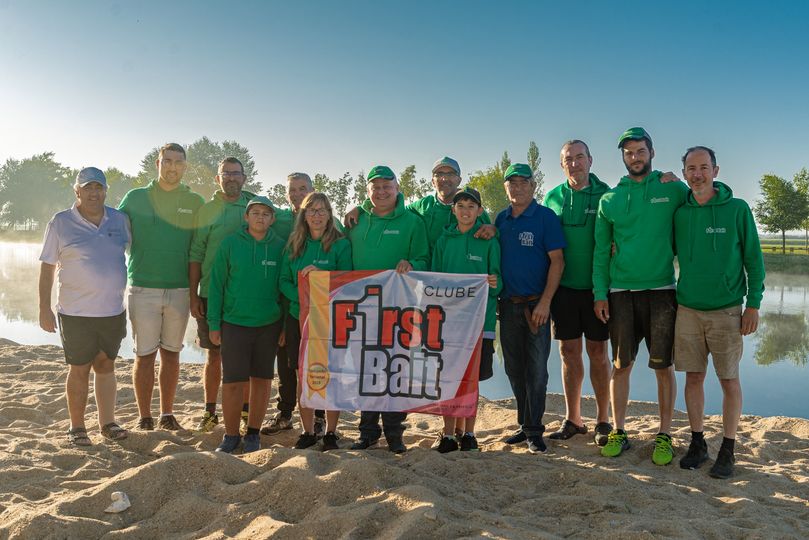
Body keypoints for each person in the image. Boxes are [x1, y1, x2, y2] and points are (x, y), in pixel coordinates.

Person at [593, 127, 689, 465]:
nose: (635, 157)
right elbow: (601, 252)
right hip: (621, 293)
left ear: (652, 152)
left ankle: (664, 434)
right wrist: (599, 294)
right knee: (621, 365)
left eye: (641, 151)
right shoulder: (610, 200)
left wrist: (682, 178)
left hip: (662, 290)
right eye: (629, 152)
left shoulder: (672, 189)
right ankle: (620, 430)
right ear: (622, 157)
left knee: (664, 367)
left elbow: (705, 195)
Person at [673, 146, 765, 479]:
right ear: (684, 173)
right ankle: (698, 443)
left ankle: (728, 448)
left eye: (703, 167)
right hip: (687, 310)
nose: (697, 174)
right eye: (690, 168)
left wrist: (753, 303)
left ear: (716, 170)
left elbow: (754, 260)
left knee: (729, 380)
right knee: (693, 377)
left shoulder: (737, 210)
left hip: (727, 310)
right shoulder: (679, 212)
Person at [38, 167, 130, 446]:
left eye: (98, 188)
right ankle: (77, 427)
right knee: (79, 367)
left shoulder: (120, 219)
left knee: (106, 364)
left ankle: (107, 423)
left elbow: (132, 255)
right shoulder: (61, 222)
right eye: (88, 188)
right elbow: (47, 266)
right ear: (77, 190)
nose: (94, 193)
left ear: (105, 191)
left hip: (113, 310)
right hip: (74, 312)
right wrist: (44, 307)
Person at [118, 143, 205, 431]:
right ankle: (145, 417)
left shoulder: (194, 202)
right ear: (158, 163)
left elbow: (202, 246)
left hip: (179, 289)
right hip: (143, 287)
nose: (172, 167)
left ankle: (167, 414)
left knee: (171, 353)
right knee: (144, 356)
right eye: (167, 161)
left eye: (178, 162)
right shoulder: (135, 198)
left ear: (185, 167)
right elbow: (110, 232)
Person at [346, 165, 429, 454]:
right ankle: (367, 431)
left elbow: (423, 258)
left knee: (395, 370)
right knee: (366, 370)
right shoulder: (355, 221)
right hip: (361, 309)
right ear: (367, 192)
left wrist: (413, 264)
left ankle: (395, 433)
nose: (381, 192)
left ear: (396, 188)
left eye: (386, 187)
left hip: (399, 309)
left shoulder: (412, 222)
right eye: (375, 187)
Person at [543, 140, 612, 446]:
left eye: (580, 157)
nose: (575, 163)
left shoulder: (607, 195)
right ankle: (574, 418)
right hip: (564, 289)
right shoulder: (553, 197)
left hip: (598, 290)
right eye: (568, 159)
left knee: (598, 354)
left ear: (590, 160)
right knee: (569, 353)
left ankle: (603, 420)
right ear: (562, 165)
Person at [496, 163, 566, 454]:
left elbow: (558, 261)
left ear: (533, 186)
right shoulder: (501, 219)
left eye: (523, 182)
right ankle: (524, 424)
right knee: (514, 368)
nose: (518, 187)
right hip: (507, 305)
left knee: (536, 370)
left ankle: (535, 431)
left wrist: (546, 302)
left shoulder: (545, 217)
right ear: (506, 188)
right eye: (512, 183)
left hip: (536, 305)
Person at [207, 196, 285, 453]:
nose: (260, 217)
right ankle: (230, 436)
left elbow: (284, 289)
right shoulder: (230, 244)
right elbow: (216, 285)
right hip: (234, 323)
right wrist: (214, 324)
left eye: (265, 213)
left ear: (272, 219)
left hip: (269, 324)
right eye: (255, 213)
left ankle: (253, 434)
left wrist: (284, 325)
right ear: (246, 217)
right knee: (232, 382)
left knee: (262, 380)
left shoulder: (280, 247)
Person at [279, 192, 352, 451]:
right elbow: (284, 282)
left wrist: (321, 278)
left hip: (331, 318)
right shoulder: (294, 244)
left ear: (330, 214)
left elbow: (347, 281)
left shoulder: (340, 244)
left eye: (322, 210)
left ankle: (331, 431)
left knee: (332, 375)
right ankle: (308, 430)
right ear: (304, 215)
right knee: (304, 376)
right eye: (312, 211)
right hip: (300, 317)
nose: (317, 215)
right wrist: (303, 297)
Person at [431, 187, 501, 453]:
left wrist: (494, 283)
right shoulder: (443, 241)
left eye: (471, 206)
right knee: (449, 379)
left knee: (472, 379)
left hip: (479, 324)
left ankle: (469, 433)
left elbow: (498, 284)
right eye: (461, 206)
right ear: (454, 209)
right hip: (449, 325)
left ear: (480, 211)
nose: (466, 211)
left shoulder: (489, 241)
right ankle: (448, 434)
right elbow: (434, 282)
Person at [189, 157, 255, 433]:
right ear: (217, 179)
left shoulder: (256, 206)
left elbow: (295, 217)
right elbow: (195, 254)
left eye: (236, 173)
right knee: (214, 356)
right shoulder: (207, 211)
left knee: (246, 358)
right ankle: (209, 411)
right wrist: (193, 296)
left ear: (244, 177)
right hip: (210, 295)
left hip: (246, 295)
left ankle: (245, 411)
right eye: (225, 173)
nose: (231, 178)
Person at [261, 172, 327, 437]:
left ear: (312, 191)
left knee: (318, 363)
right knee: (287, 361)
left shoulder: (329, 226)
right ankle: (285, 413)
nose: (298, 194)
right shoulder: (280, 221)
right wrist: (299, 295)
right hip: (287, 303)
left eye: (303, 189)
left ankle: (319, 416)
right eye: (293, 190)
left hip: (321, 310)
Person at [344, 157, 495, 255]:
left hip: (460, 275)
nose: (444, 178)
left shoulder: (474, 208)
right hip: (428, 281)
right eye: (439, 174)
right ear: (432, 181)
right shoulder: (422, 205)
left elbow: (493, 233)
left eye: (450, 174)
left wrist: (493, 229)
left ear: (459, 179)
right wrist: (360, 208)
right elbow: (390, 204)